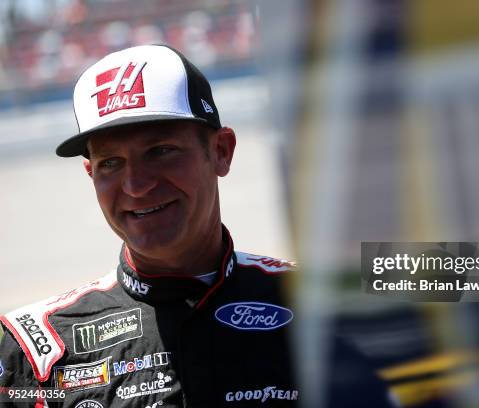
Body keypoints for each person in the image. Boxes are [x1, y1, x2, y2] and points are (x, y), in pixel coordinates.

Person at [0, 44, 298, 407]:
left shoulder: (327, 305)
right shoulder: (33, 350)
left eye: (160, 151)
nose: (136, 186)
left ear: (221, 151)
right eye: (111, 163)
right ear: (90, 173)